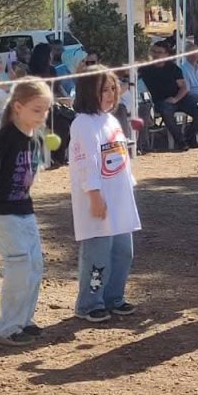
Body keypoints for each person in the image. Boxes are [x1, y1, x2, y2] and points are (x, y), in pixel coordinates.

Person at [0, 80, 54, 345]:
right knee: (19, 263)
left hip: (24, 207)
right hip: (2, 211)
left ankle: (24, 320)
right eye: (37, 110)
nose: (43, 115)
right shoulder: (4, 139)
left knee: (35, 263)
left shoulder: (32, 138)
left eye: (45, 110)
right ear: (17, 107)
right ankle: (6, 327)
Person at [68, 66, 140, 321]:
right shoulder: (83, 124)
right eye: (104, 90)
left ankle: (114, 297)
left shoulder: (111, 119)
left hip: (119, 200)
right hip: (99, 202)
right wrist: (95, 195)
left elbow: (119, 158)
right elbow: (85, 163)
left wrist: (128, 186)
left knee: (122, 252)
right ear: (89, 92)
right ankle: (90, 302)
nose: (111, 94)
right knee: (98, 256)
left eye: (112, 89)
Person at [139, 41, 198, 151]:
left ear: (167, 55)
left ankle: (188, 137)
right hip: (162, 101)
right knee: (166, 111)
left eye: (160, 52)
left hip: (180, 98)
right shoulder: (145, 69)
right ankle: (181, 142)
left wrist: (176, 99)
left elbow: (184, 87)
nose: (156, 54)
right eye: (154, 51)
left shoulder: (173, 68)